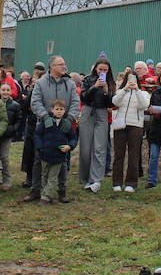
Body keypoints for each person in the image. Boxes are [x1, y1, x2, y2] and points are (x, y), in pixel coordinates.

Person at [27, 56, 79, 200]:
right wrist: (45, 117)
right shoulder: (41, 83)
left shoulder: (70, 83)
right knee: (39, 159)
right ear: (52, 67)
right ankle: (36, 189)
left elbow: (75, 102)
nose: (64, 66)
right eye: (61, 64)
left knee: (63, 160)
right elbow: (35, 102)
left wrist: (69, 118)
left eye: (64, 63)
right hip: (45, 128)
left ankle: (62, 191)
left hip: (63, 128)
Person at [77, 57, 115, 192]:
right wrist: (95, 87)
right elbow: (83, 97)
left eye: (105, 70)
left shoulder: (110, 82)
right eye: (100, 69)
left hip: (102, 113)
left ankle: (96, 180)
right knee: (86, 148)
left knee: (99, 147)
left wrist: (106, 90)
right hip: (88, 111)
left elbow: (111, 103)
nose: (102, 72)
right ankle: (85, 177)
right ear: (96, 68)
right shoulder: (88, 79)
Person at [110, 71, 148, 192]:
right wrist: (125, 89)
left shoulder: (143, 93)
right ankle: (117, 182)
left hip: (136, 125)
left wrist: (137, 90)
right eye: (130, 78)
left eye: (134, 78)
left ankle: (131, 183)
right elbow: (115, 102)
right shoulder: (120, 91)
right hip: (120, 126)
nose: (132, 81)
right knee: (118, 154)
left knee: (133, 155)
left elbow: (144, 105)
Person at [34, 98, 76, 203]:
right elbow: (37, 134)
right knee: (44, 175)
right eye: (57, 109)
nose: (59, 111)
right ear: (52, 110)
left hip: (59, 156)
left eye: (61, 109)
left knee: (52, 177)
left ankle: (45, 197)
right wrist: (40, 146)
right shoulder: (46, 122)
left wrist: (69, 146)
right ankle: (46, 194)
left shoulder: (66, 124)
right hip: (45, 154)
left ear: (64, 111)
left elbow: (73, 138)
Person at [0, 82, 19, 190]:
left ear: (11, 92)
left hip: (7, 135)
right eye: (3, 90)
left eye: (7, 90)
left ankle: (6, 180)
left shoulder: (15, 105)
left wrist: (12, 130)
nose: (5, 92)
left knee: (4, 157)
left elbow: (18, 121)